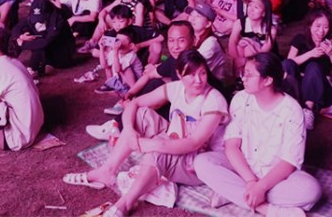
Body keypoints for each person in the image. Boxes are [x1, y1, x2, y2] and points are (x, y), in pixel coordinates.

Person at [64, 50, 229, 217]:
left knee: (157, 153)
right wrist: (130, 131)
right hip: (175, 136)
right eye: (191, 75)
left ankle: (126, 203)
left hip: (196, 161)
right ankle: (107, 171)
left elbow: (193, 143)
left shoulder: (213, 100)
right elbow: (135, 104)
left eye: (202, 73)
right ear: (179, 74)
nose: (198, 80)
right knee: (140, 115)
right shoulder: (177, 88)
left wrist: (150, 144)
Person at [194, 53, 322, 217]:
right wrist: (251, 181)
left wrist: (261, 187)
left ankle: (232, 193)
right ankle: (266, 209)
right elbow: (231, 146)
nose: (243, 78)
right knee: (202, 162)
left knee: (310, 190)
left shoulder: (292, 110)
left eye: (248, 75)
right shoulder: (240, 99)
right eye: (243, 73)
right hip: (243, 169)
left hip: (276, 177)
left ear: (267, 80)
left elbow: (289, 162)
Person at [282, 8, 332, 130]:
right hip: (298, 86)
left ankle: (308, 111)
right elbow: (289, 62)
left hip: (320, 89)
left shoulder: (331, 45)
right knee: (288, 64)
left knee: (313, 67)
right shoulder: (300, 39)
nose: (321, 31)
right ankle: (291, 104)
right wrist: (310, 54)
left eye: (326, 27)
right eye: (317, 26)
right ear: (309, 25)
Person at [12, 0, 75, 77]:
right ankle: (14, 62)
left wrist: (22, 44)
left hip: (62, 52)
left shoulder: (57, 19)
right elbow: (17, 27)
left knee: (39, 43)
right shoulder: (31, 16)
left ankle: (33, 69)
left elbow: (46, 42)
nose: (38, 20)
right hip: (46, 45)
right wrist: (20, 36)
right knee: (24, 31)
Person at [228, 0, 277, 75]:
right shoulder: (240, 23)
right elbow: (231, 43)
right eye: (250, 5)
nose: (251, 9)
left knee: (247, 45)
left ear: (264, 13)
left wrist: (250, 44)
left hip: (263, 60)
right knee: (240, 45)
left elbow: (263, 53)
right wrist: (237, 59)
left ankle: (247, 75)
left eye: (256, 7)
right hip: (243, 56)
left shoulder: (271, 29)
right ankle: (240, 75)